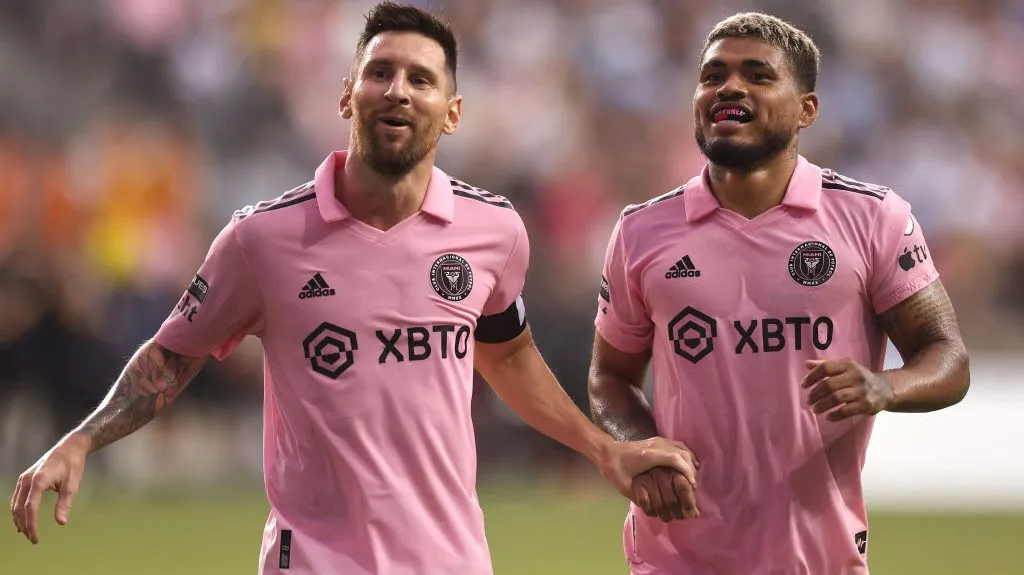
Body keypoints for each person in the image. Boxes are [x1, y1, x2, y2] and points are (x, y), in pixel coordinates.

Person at [9, 3, 699, 574]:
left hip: (451, 560)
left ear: (452, 112)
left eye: (421, 79)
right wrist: (80, 440)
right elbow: (172, 355)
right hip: (313, 560)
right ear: (347, 94)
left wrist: (603, 447)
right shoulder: (263, 240)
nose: (398, 89)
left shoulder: (493, 231)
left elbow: (508, 355)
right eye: (381, 72)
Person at [588, 12, 970, 575]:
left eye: (757, 75)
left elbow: (949, 358)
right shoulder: (641, 231)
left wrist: (884, 386)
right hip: (674, 559)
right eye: (712, 75)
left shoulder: (872, 218)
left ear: (806, 110)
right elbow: (609, 378)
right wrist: (643, 449)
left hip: (819, 558)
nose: (729, 88)